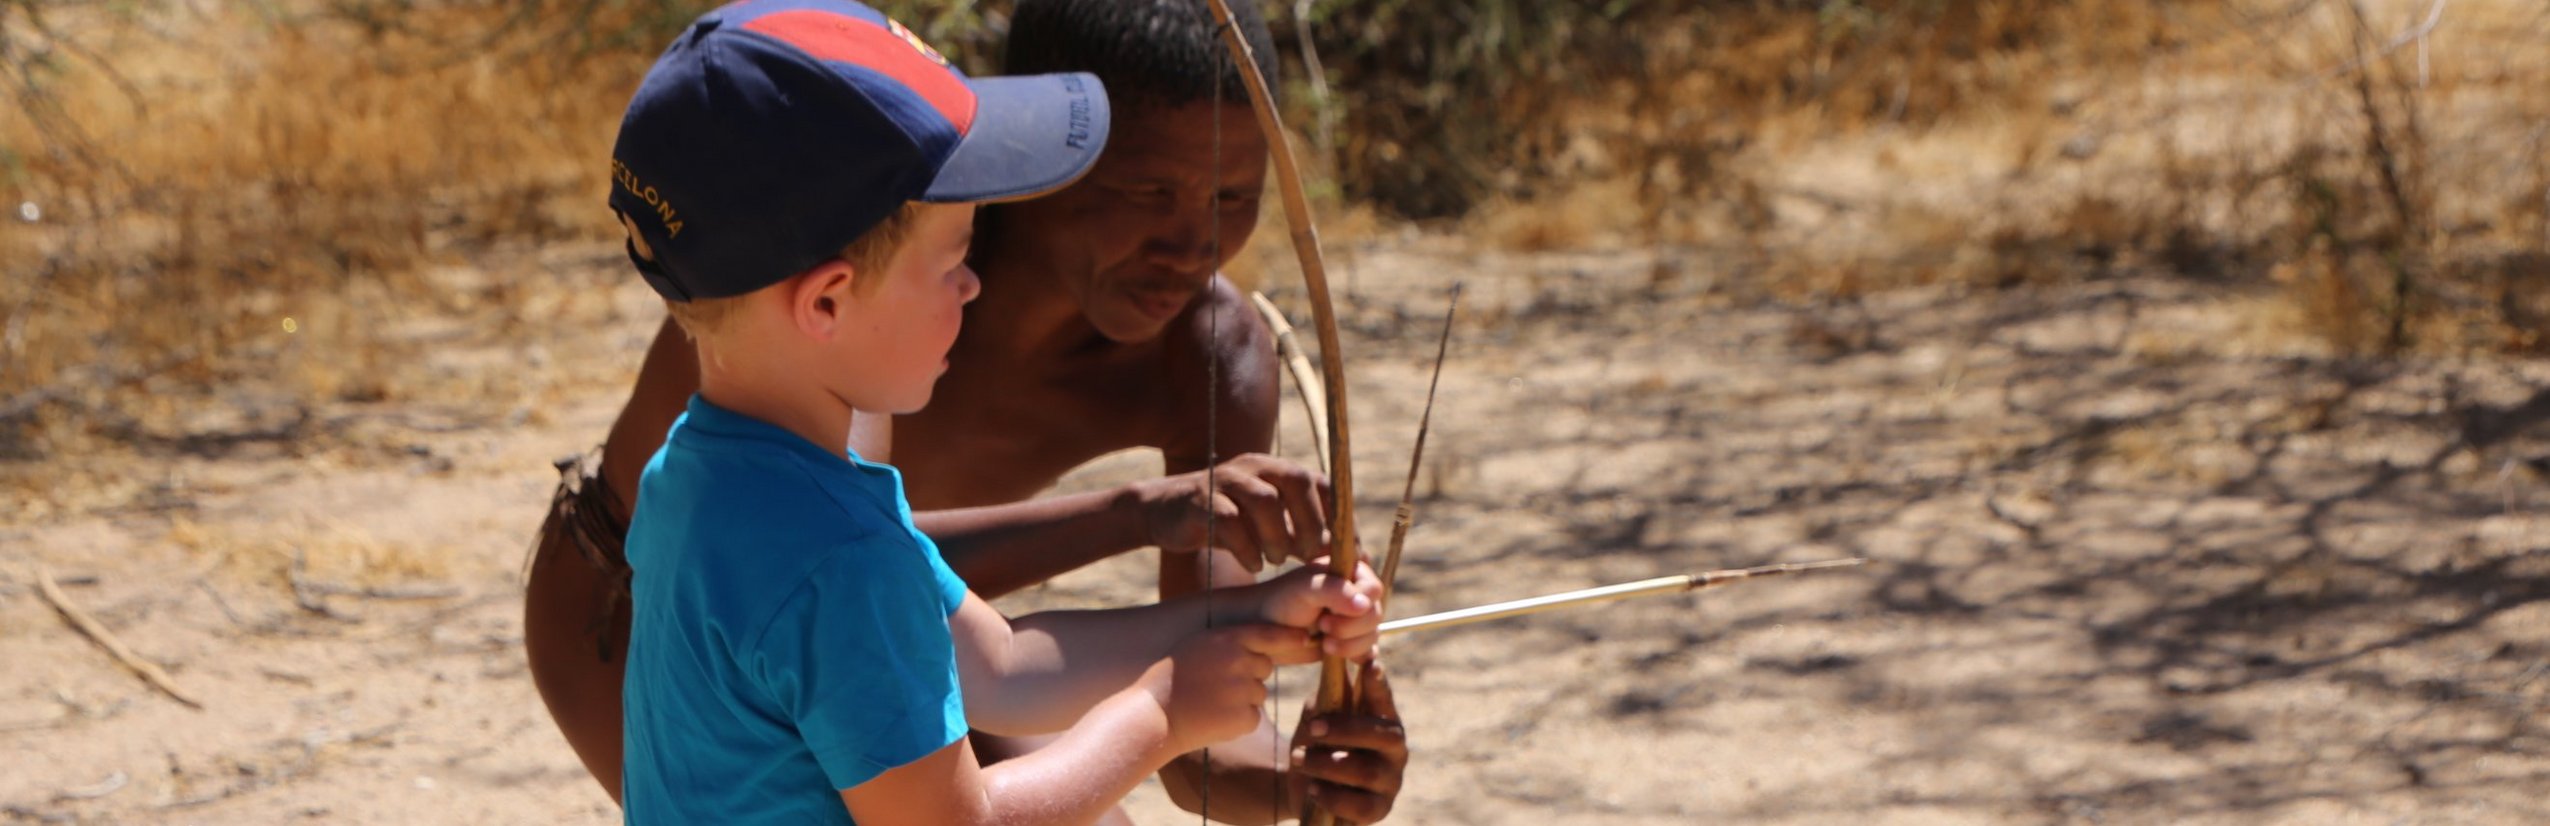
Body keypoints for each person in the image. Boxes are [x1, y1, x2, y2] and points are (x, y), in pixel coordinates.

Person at [523, 0, 1410, 821]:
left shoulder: (708, 460)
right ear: (827, 303)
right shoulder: (843, 546)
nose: (973, 277)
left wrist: (1273, 624)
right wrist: (1158, 713)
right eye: (953, 259)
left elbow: (1005, 665)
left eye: (1228, 196)